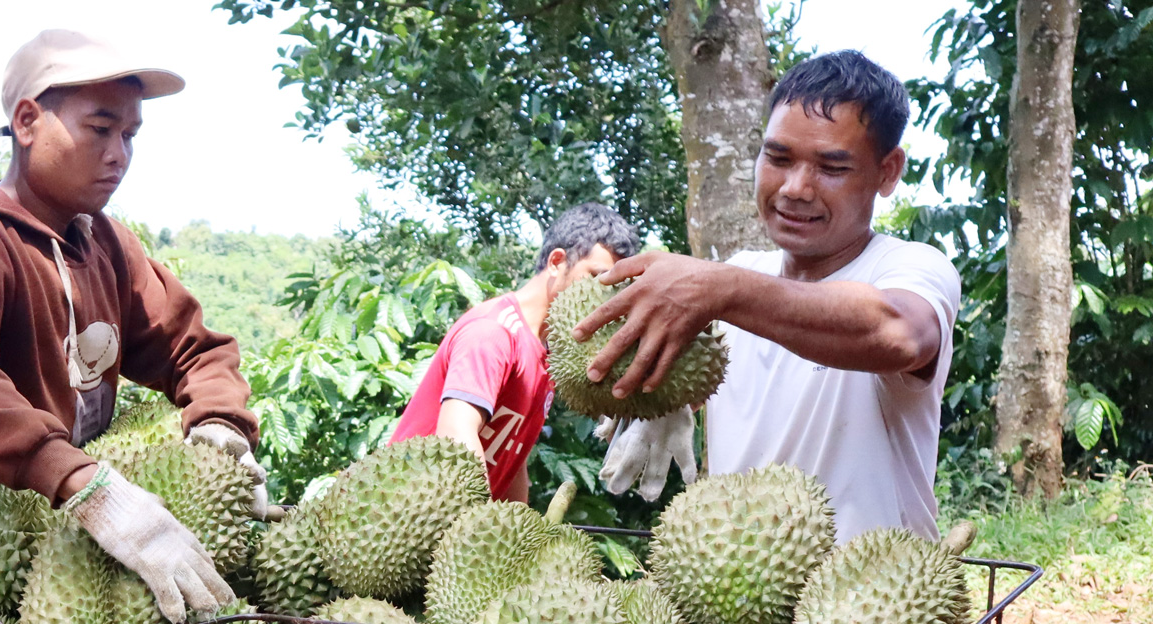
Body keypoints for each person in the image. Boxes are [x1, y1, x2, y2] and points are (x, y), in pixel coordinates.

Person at [0, 28, 266, 624]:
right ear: (29, 121)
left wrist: (221, 422)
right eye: (100, 128)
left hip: (65, 578)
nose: (120, 154)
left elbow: (194, 348)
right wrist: (85, 484)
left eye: (131, 135)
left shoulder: (106, 245)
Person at [573, 51, 961, 541]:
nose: (795, 188)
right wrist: (658, 395)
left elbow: (900, 334)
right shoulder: (738, 278)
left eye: (832, 167)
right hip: (731, 589)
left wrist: (719, 288)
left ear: (887, 172)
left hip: (867, 600)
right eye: (777, 158)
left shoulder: (911, 267)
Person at [389, 204, 642, 502]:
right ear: (556, 262)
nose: (604, 296)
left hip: (457, 531)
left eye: (613, 287)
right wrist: (478, 524)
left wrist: (520, 535)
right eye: (596, 277)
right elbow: (456, 434)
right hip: (402, 516)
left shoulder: (549, 354)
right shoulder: (493, 331)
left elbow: (513, 453)